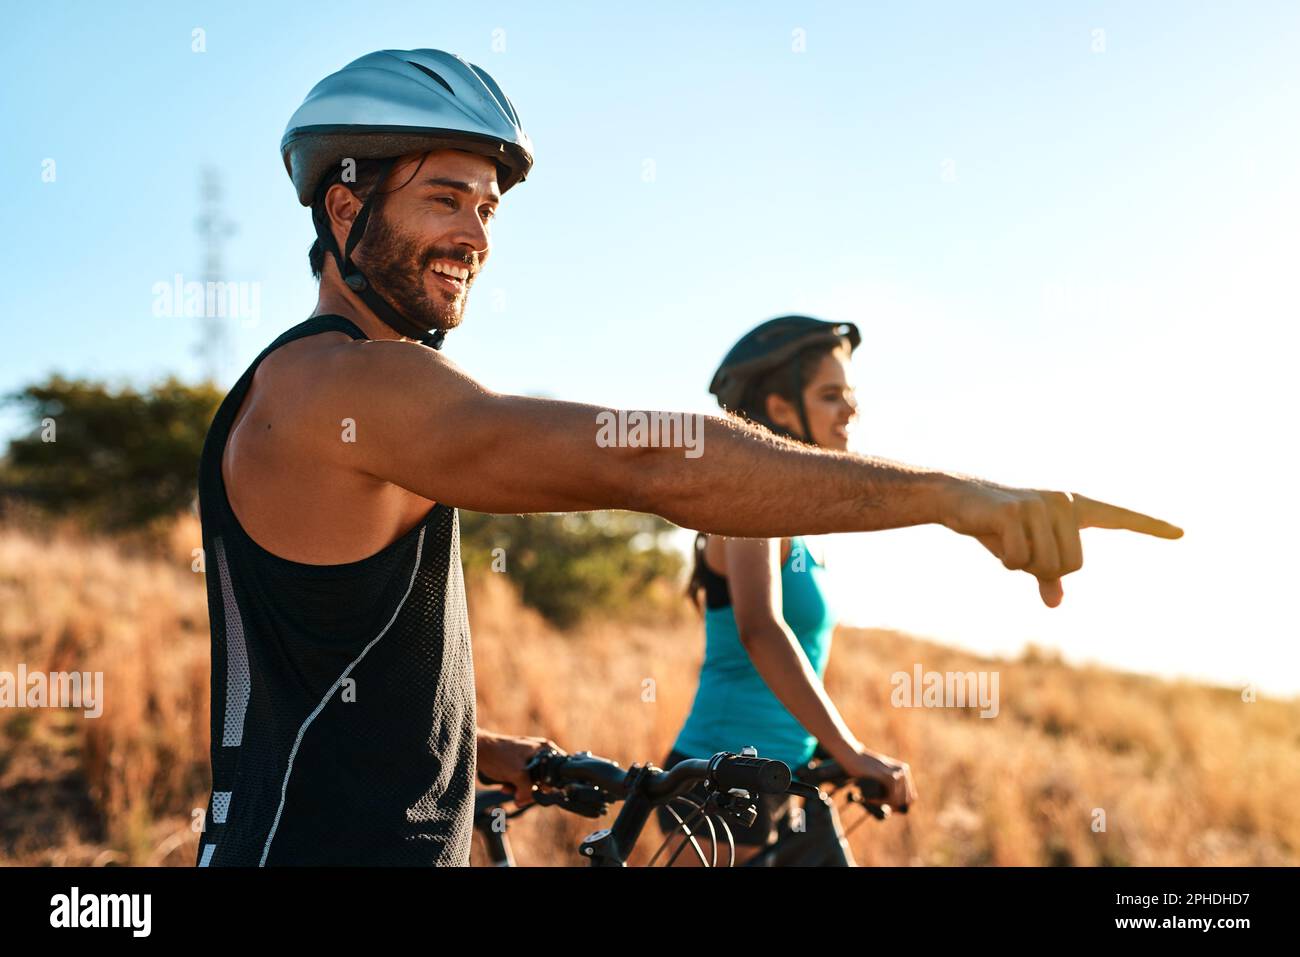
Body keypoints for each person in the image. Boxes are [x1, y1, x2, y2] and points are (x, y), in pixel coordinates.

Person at [194, 48, 1182, 867]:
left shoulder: (312, 398)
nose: (474, 235)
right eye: (445, 199)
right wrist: (952, 498)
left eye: (487, 210)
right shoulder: (344, 388)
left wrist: (482, 750)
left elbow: (302, 677)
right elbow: (651, 465)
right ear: (344, 210)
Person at [657, 316, 909, 866]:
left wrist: (828, 749)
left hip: (790, 777)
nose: (850, 410)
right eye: (830, 395)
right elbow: (761, 629)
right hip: (722, 785)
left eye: (851, 395)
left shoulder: (803, 523)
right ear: (780, 408)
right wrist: (854, 750)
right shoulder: (749, 507)